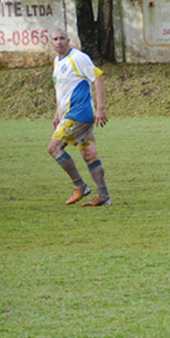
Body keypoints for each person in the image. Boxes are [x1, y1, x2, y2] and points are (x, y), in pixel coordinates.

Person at [47, 29, 112, 207]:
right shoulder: (57, 61)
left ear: (69, 40)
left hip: (80, 113)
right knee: (89, 155)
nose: (59, 42)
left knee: (54, 148)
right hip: (70, 114)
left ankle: (79, 185)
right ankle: (104, 195)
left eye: (62, 38)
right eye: (55, 39)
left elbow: (97, 77)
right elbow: (62, 91)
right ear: (51, 43)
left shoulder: (78, 57)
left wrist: (101, 107)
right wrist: (56, 114)